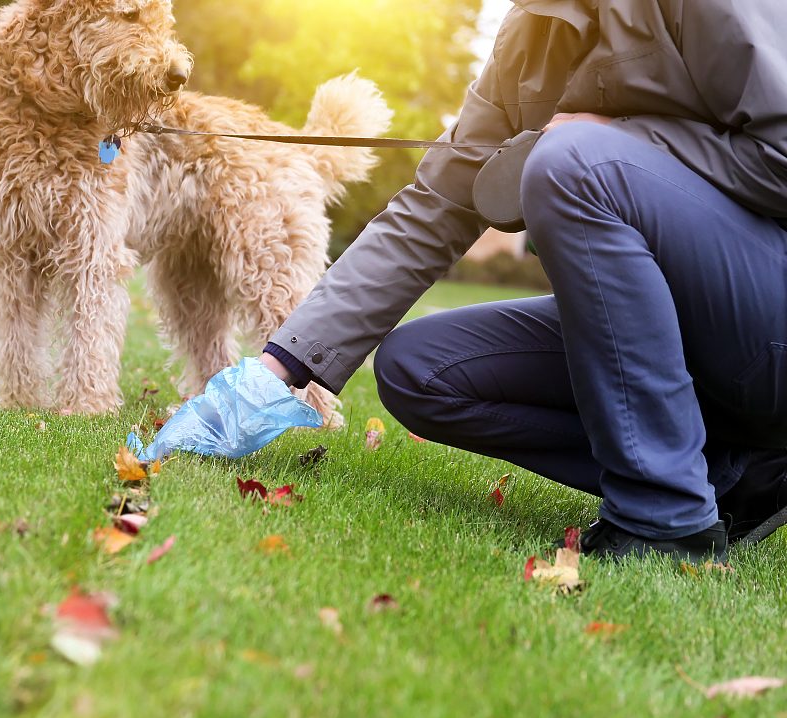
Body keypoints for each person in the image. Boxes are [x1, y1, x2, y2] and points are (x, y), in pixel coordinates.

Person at [157, 0, 787, 563]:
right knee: (416, 368)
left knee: (570, 162)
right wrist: (275, 370)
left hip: (765, 323)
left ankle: (667, 516)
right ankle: (730, 473)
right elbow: (440, 203)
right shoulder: (531, 31)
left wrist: (615, 140)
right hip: (690, 343)